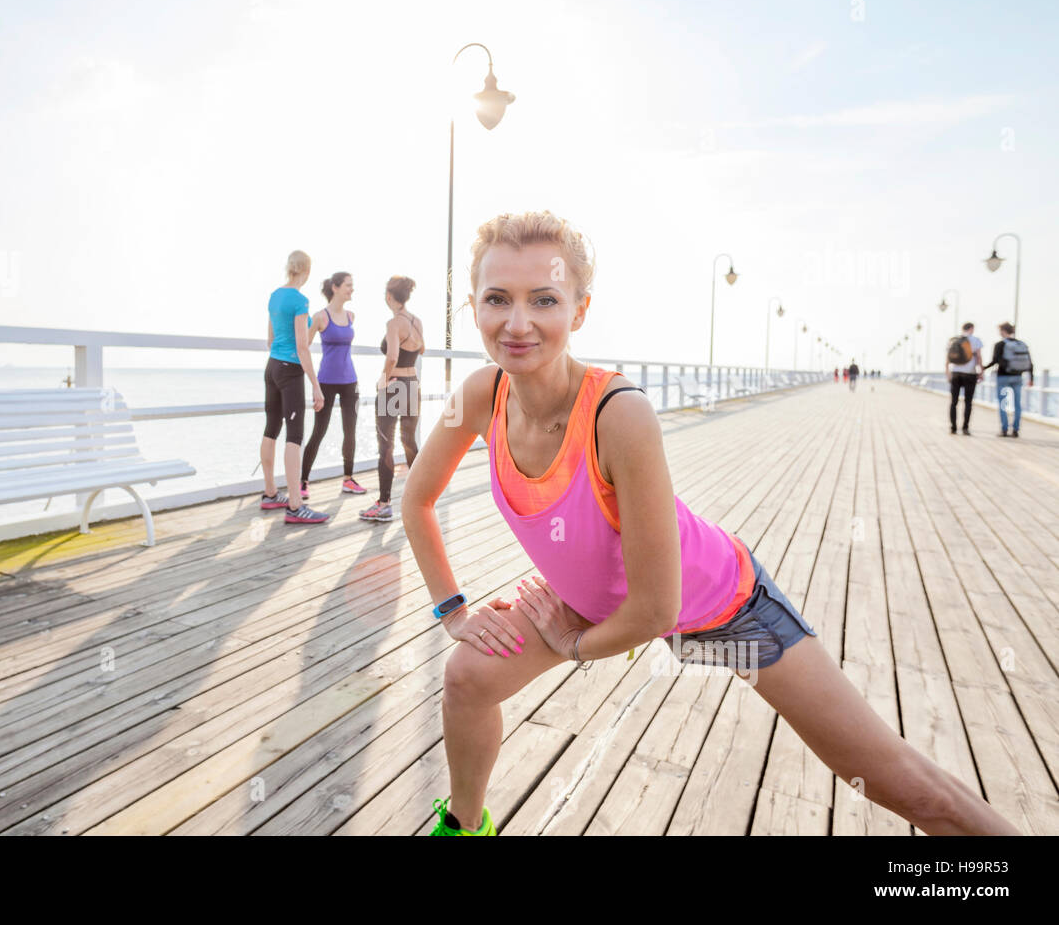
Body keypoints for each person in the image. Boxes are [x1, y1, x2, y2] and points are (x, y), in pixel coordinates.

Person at [402, 209, 1019, 837]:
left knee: (898, 784)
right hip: (598, 606)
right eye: (497, 299)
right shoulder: (480, 395)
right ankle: (464, 825)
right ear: (472, 307)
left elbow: (655, 611)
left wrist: (575, 644)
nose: (518, 322)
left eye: (544, 300)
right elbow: (417, 501)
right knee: (469, 676)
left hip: (727, 609)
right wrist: (454, 612)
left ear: (580, 310)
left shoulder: (620, 413)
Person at [259, 250, 329, 524]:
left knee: (271, 429)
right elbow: (302, 346)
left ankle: (270, 493)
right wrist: (316, 385)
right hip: (290, 371)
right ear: (307, 271)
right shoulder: (300, 301)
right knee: (294, 436)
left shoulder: (275, 296)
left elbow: (270, 339)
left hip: (272, 367)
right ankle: (295, 505)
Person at [360, 276, 423, 522]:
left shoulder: (394, 323)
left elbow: (392, 357)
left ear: (389, 296)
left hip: (394, 385)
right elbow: (422, 348)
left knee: (385, 445)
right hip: (412, 386)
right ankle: (420, 497)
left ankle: (385, 504)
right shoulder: (417, 322)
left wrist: (383, 380)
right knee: (409, 441)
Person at [300, 271, 368, 497]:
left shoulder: (351, 316)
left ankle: (348, 479)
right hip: (326, 381)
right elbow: (303, 347)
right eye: (348, 285)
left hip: (350, 381)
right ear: (336, 288)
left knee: (350, 432)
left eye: (352, 285)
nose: (352, 289)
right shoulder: (320, 317)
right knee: (319, 431)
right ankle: (303, 482)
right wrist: (313, 384)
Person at [981, 322, 1035, 438]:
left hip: (1003, 377)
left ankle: (1004, 429)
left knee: (1003, 403)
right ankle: (1015, 430)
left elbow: (995, 361)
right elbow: (1030, 363)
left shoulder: (1000, 344)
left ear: (1003, 331)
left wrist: (983, 368)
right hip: (1018, 377)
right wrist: (1031, 378)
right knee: (1017, 404)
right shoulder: (1021, 344)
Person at [946, 322, 984, 435]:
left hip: (955, 373)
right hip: (970, 373)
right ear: (971, 328)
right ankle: (965, 428)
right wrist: (981, 372)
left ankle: (953, 427)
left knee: (954, 402)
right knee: (968, 402)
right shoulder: (975, 340)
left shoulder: (952, 340)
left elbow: (947, 359)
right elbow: (979, 357)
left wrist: (947, 372)